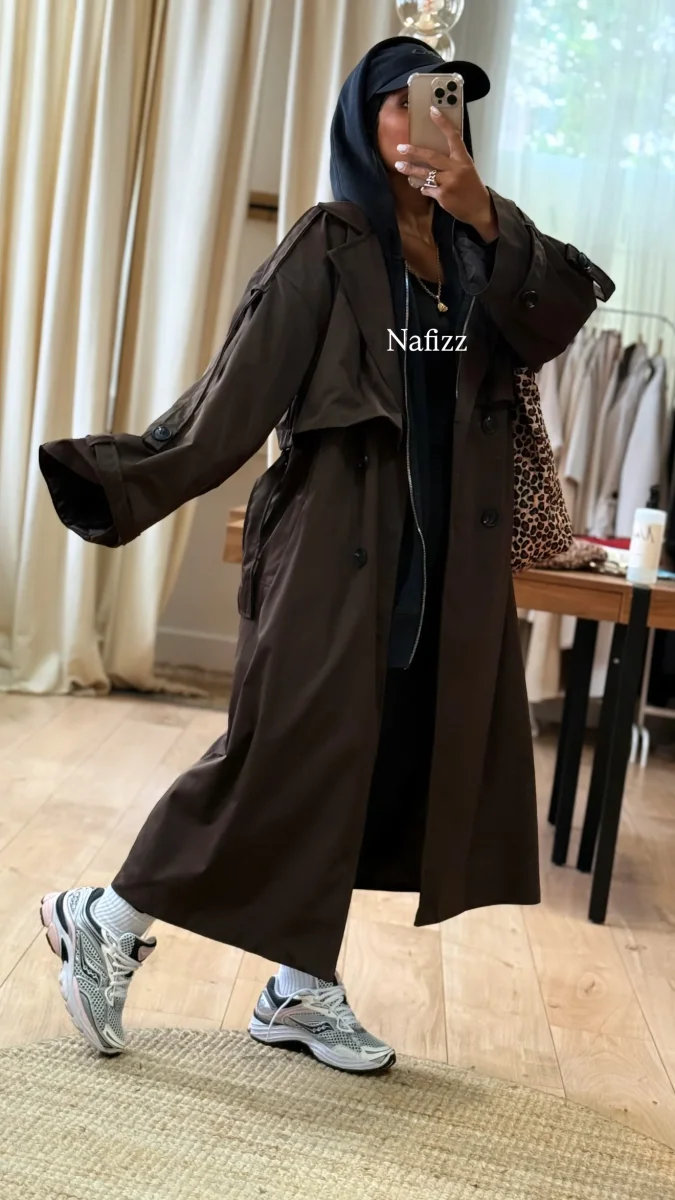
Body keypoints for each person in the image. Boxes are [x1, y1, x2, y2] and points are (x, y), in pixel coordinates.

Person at [37, 37, 614, 1076]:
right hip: (333, 553)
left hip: (443, 572)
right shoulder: (330, 243)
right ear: (363, 121)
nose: (433, 122)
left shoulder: (479, 253)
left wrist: (484, 211)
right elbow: (236, 394)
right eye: (407, 104)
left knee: (375, 760)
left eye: (449, 105)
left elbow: (563, 309)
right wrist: (122, 476)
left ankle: (300, 989)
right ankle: (104, 920)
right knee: (280, 757)